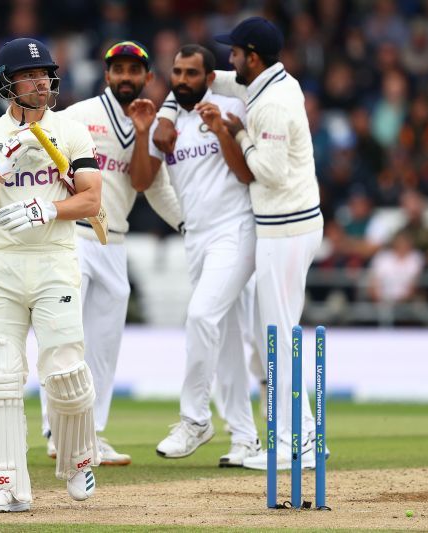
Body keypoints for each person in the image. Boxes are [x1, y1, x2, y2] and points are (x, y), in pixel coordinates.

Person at [154, 17, 325, 471]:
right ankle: (302, 438)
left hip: (287, 226)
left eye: (234, 53)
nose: (229, 61)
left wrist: (236, 131)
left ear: (252, 56)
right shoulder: (265, 83)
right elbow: (194, 83)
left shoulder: (268, 104)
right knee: (276, 333)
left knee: (280, 334)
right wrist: (169, 113)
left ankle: (298, 443)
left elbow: (267, 172)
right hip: (279, 226)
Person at [0, 38, 104, 512]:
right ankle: (4, 484)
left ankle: (79, 461)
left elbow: (92, 202)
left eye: (46, 74)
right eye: (30, 75)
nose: (42, 82)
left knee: (64, 373)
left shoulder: (72, 132)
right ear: (7, 82)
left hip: (55, 259)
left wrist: (47, 210)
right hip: (0, 263)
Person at [38, 40, 184, 466]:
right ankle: (55, 429)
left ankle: (92, 433)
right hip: (74, 237)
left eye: (133, 71)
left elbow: (150, 186)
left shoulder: (150, 125)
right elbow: (44, 152)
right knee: (65, 337)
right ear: (106, 75)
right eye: (117, 70)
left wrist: (189, 227)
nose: (125, 77)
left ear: (147, 78)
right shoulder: (79, 116)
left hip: (113, 242)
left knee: (104, 347)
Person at [148, 44, 260, 467]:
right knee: (226, 337)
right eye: (176, 72)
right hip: (196, 237)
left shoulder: (230, 106)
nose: (181, 79)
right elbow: (144, 181)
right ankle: (245, 438)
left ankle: (194, 419)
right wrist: (147, 131)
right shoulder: (170, 119)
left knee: (200, 317)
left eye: (191, 73)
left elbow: (246, 173)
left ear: (209, 77)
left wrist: (222, 132)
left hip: (237, 230)